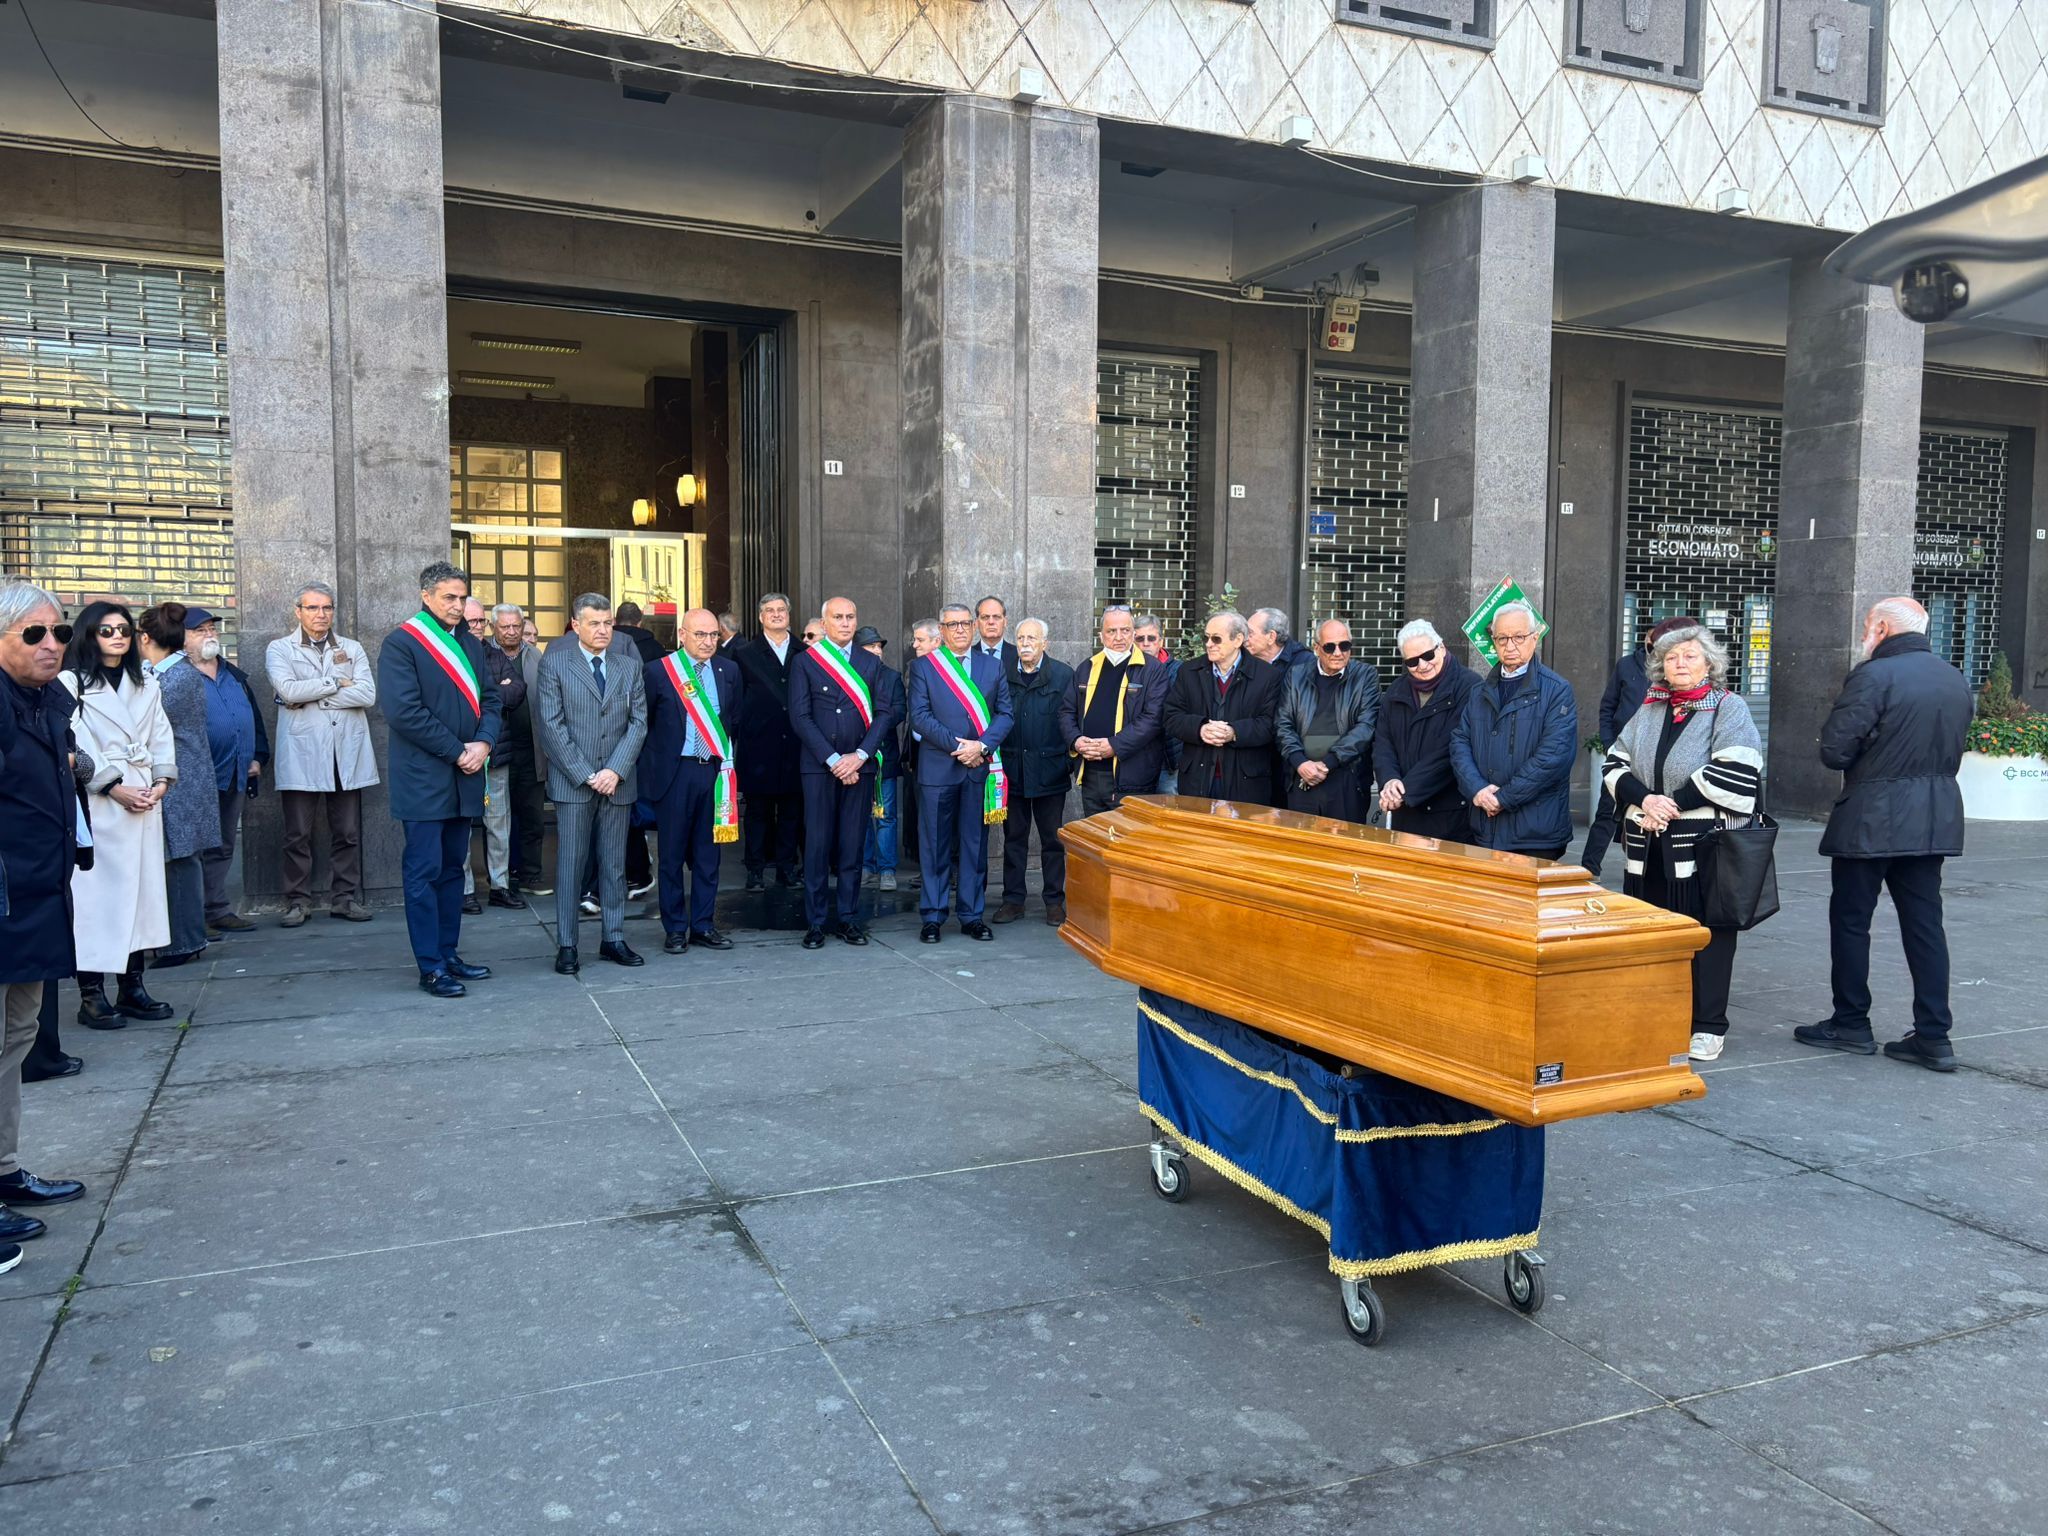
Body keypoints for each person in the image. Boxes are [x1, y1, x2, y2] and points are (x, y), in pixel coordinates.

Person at [1795, 597, 1973, 1072]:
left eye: (1867, 628)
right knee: (1925, 924)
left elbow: (1834, 750)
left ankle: (1851, 1022)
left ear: (1880, 627)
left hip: (1871, 817)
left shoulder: (1873, 675)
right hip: (1934, 815)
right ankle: (1934, 1035)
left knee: (1852, 920)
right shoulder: (1952, 676)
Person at [1601, 622, 1763, 1063]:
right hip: (1649, 845)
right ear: (1660, 667)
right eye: (1671, 658)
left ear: (1709, 663)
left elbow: (1737, 769)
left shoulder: (1728, 708)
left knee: (1708, 931)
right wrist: (1645, 799)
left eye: (1690, 656)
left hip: (1704, 847)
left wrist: (1669, 803)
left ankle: (1708, 1025)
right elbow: (1615, 762)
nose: (1680, 663)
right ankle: (1661, 1014)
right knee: (1656, 932)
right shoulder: (1650, 709)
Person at [0, 580, 90, 1273]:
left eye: (57, 631)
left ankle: (3, 1171)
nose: (51, 644)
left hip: (37, 892)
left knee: (18, 1034)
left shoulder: (49, 700)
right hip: (5, 893)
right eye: (34, 634)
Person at [378, 561, 502, 999]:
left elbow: (492, 698)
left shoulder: (469, 642)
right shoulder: (402, 644)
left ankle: (449, 954)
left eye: (462, 597)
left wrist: (484, 742)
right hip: (425, 779)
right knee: (424, 873)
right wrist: (458, 751)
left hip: (466, 776)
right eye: (448, 597)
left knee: (454, 872)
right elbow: (403, 712)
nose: (456, 605)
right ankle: (429, 966)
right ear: (426, 596)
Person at [60, 602, 176, 1027]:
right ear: (89, 634)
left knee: (142, 896)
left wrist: (162, 781)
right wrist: (112, 785)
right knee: (97, 899)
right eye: (106, 630)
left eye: (123, 630)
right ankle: (92, 995)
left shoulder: (145, 682)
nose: (117, 637)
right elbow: (73, 740)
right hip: (101, 801)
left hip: (143, 796)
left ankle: (133, 987)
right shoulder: (70, 682)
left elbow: (162, 733)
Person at [538, 594, 649, 975]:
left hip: (617, 782)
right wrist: (587, 774)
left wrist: (614, 771)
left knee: (614, 865)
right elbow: (551, 726)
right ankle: (567, 944)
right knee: (570, 864)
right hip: (575, 783)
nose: (603, 630)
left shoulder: (628, 667)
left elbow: (638, 723)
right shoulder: (554, 664)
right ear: (575, 625)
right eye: (594, 623)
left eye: (607, 623)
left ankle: (613, 938)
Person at [265, 582, 378, 926]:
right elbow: (286, 689)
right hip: (303, 752)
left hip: (345, 752)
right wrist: (336, 683)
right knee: (297, 833)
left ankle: (344, 898)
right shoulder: (279, 649)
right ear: (297, 611)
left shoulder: (352, 648)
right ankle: (297, 901)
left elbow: (368, 695)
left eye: (327, 608)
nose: (321, 615)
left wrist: (309, 695)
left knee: (347, 832)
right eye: (313, 608)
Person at [789, 596, 899, 948]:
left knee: (852, 845)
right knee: (818, 845)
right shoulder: (805, 662)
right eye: (838, 617)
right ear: (824, 624)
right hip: (820, 768)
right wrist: (835, 760)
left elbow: (884, 714)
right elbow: (800, 717)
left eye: (851, 616)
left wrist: (861, 755)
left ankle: (849, 919)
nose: (846, 622)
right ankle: (816, 922)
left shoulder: (871, 663)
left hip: (860, 767)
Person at [638, 607, 742, 956]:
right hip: (675, 773)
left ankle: (703, 925)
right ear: (682, 635)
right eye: (700, 634)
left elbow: (733, 720)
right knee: (670, 856)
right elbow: (646, 725)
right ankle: (675, 928)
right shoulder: (659, 672)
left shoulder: (729, 671)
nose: (708, 641)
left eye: (713, 635)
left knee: (708, 855)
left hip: (712, 773)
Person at [909, 603, 1014, 944]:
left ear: (973, 627)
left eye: (964, 624)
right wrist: (961, 747)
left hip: (977, 770)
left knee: (974, 845)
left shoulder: (992, 666)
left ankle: (971, 915)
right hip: (939, 769)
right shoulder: (924, 667)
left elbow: (1005, 715)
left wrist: (981, 747)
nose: (958, 630)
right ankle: (933, 916)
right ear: (941, 629)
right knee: (935, 846)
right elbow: (920, 717)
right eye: (951, 625)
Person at [1449, 600, 1578, 860]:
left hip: (1535, 833)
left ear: (1534, 638)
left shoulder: (1556, 690)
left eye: (1518, 637)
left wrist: (1503, 799)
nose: (1510, 646)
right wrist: (1477, 789)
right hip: (1485, 827)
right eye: (1502, 638)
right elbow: (1459, 743)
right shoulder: (1479, 692)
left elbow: (1553, 758)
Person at [134, 604, 221, 969]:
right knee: (173, 858)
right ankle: (177, 939)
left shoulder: (177, 677)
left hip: (182, 776)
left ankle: (185, 941)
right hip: (175, 774)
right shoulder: (155, 673)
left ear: (146, 638)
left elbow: (142, 722)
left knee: (181, 860)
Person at [181, 607, 270, 937]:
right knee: (197, 847)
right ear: (182, 639)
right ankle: (193, 915)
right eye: (199, 630)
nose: (209, 634)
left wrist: (258, 756)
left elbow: (254, 719)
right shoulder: (179, 676)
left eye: (211, 629)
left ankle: (217, 908)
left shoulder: (234, 675)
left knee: (223, 844)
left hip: (236, 772)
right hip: (197, 777)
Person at [996, 619, 1073, 926]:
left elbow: (1071, 719)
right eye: (1020, 637)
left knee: (1052, 841)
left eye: (1032, 638)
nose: (1025, 643)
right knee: (1013, 838)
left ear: (1045, 643)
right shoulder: (1003, 673)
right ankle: (1013, 901)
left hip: (1050, 772)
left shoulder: (1064, 675)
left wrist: (1067, 762)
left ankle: (1054, 901)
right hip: (1013, 771)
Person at [1164, 610, 1283, 805]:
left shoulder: (1267, 676)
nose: (1208, 644)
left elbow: (1271, 724)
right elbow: (1171, 716)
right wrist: (1200, 728)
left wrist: (1234, 732)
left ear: (1238, 640)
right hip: (1197, 778)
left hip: (1246, 781)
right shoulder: (1189, 671)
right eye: (1207, 637)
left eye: (1216, 639)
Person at [1375, 619, 1479, 839]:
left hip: (1451, 814)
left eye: (1427, 656)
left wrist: (1405, 790)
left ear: (1441, 648)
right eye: (1412, 661)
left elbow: (1449, 751)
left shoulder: (1470, 686)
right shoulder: (1396, 690)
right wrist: (1390, 781)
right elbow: (1383, 744)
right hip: (1406, 813)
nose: (1422, 665)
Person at [1061, 604, 1170, 814]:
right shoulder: (1086, 667)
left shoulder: (1152, 669)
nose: (1119, 637)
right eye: (1112, 631)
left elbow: (1153, 718)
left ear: (1133, 632)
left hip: (1132, 777)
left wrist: (1114, 745)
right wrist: (1076, 740)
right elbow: (1066, 712)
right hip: (1091, 773)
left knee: (1127, 840)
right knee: (1095, 839)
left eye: (1125, 630)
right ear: (1101, 635)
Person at [731, 592, 806, 891]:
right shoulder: (744, 653)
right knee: (758, 814)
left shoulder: (804, 651)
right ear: (760, 617)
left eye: (781, 610)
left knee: (792, 813)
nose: (776, 615)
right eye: (770, 610)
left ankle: (787, 869)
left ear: (789, 615)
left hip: (796, 746)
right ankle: (756, 870)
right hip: (758, 746)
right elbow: (735, 700)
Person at [1579, 619, 1666, 877]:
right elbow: (1607, 707)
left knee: (1645, 814)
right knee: (1606, 812)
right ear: (1646, 639)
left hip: (1653, 760)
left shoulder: (1669, 671)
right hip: (1622, 755)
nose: (1655, 644)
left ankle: (1642, 868)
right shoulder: (1627, 665)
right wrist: (1608, 744)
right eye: (1653, 638)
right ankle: (1588, 867)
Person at [1275, 618, 1380, 822]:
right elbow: (1282, 723)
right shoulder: (1296, 675)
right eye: (1330, 647)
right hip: (1301, 777)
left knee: (1345, 848)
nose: (1338, 652)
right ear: (1316, 647)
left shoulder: (1366, 675)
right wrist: (1300, 762)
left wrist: (1328, 763)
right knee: (1302, 845)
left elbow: (1366, 726)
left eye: (1345, 645)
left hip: (1347, 778)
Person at [481, 603, 545, 906]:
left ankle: (531, 874)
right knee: (500, 818)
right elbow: (492, 696)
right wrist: (501, 689)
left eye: (516, 626)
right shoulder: (484, 654)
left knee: (532, 813)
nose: (511, 632)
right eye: (504, 626)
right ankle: (504, 877)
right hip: (499, 750)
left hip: (532, 747)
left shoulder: (536, 656)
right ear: (494, 627)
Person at [857, 625, 905, 892]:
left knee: (885, 816)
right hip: (858, 758)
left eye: (879, 646)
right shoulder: (849, 675)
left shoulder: (892, 677)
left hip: (883, 756)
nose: (876, 651)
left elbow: (899, 711)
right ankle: (866, 865)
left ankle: (887, 869)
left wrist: (874, 723)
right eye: (870, 646)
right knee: (862, 816)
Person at [1132, 613, 1182, 795]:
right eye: (1140, 639)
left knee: (1169, 814)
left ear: (1160, 641)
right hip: (1136, 758)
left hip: (1167, 762)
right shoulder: (1126, 670)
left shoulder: (1179, 671)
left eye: (1151, 638)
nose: (1146, 643)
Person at [1247, 607, 1312, 677]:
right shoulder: (1243, 658)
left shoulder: (1304, 662)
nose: (1245, 638)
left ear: (1271, 637)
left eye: (1250, 633)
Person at [973, 595, 1019, 674]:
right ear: (976, 623)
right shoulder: (968, 656)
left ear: (1005, 622)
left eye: (996, 617)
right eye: (985, 617)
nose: (991, 622)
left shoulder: (1018, 655)